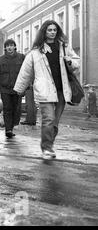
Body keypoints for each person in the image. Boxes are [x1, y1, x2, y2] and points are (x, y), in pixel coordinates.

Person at [14, 20, 80, 160]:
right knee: (48, 120)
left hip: (62, 90)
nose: (52, 32)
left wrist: (70, 61)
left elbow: (76, 63)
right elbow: (26, 72)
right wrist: (19, 89)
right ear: (44, 32)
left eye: (54, 30)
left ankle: (49, 144)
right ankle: (47, 148)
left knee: (54, 123)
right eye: (49, 30)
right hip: (44, 91)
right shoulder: (35, 52)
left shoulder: (64, 47)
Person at [0, 39, 25, 139]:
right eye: (7, 46)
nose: (9, 47)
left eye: (11, 45)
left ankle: (12, 126)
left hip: (18, 88)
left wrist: (28, 84)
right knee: (7, 108)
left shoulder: (22, 58)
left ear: (14, 47)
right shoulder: (0, 61)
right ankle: (8, 129)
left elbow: (27, 72)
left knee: (16, 109)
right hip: (5, 88)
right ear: (5, 48)